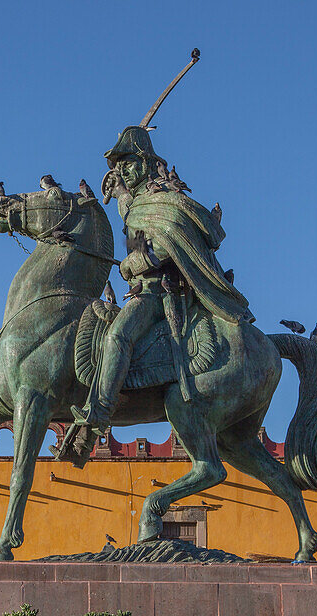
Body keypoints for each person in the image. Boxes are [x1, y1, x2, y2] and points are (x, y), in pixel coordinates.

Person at [70, 125, 254, 435]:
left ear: (144, 163)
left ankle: (100, 410)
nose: (124, 171)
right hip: (143, 289)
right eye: (119, 166)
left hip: (160, 292)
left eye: (128, 164)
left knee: (118, 336)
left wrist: (132, 263)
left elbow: (169, 244)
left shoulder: (167, 199)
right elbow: (131, 215)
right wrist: (117, 191)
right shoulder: (140, 201)